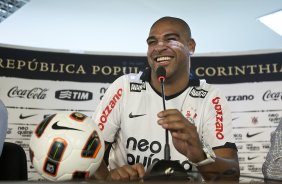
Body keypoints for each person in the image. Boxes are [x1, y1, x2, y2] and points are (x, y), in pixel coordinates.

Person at [92, 16, 240, 182]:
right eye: (152, 42)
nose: (159, 47)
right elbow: (89, 151)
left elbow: (231, 176)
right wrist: (108, 178)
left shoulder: (211, 97)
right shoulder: (124, 87)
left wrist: (199, 154)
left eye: (171, 39)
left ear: (190, 46)